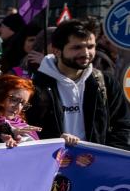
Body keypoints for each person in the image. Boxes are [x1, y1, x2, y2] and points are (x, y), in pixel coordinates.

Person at [26, 19, 130, 149]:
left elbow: (122, 126)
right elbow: (27, 129)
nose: (86, 53)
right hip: (53, 165)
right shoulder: (34, 86)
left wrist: (107, 158)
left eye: (90, 46)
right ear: (57, 50)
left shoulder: (105, 83)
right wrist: (55, 142)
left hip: (96, 165)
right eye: (77, 47)